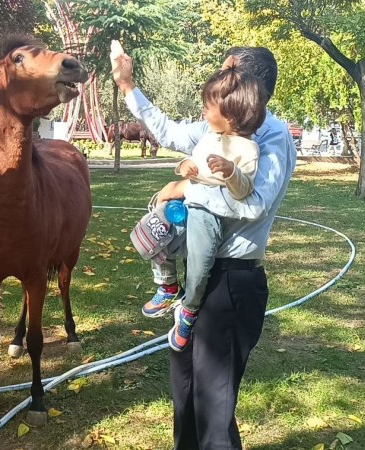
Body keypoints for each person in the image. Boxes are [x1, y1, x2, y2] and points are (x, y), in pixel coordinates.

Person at [112, 41, 297, 450]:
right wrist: (127, 86)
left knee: (214, 409)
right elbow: (168, 131)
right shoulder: (217, 127)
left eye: (224, 73)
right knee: (187, 397)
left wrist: (185, 189)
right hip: (199, 272)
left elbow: (255, 204)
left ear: (246, 85)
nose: (214, 81)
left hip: (232, 281)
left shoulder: (271, 135)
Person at [138, 66, 270, 352]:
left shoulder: (247, 149)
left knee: (199, 269)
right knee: (151, 236)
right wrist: (183, 166)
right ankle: (167, 284)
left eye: (208, 107)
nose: (203, 112)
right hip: (186, 202)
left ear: (230, 115)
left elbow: (244, 190)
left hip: (206, 216)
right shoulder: (209, 136)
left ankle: (188, 309)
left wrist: (231, 171)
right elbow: (191, 168)